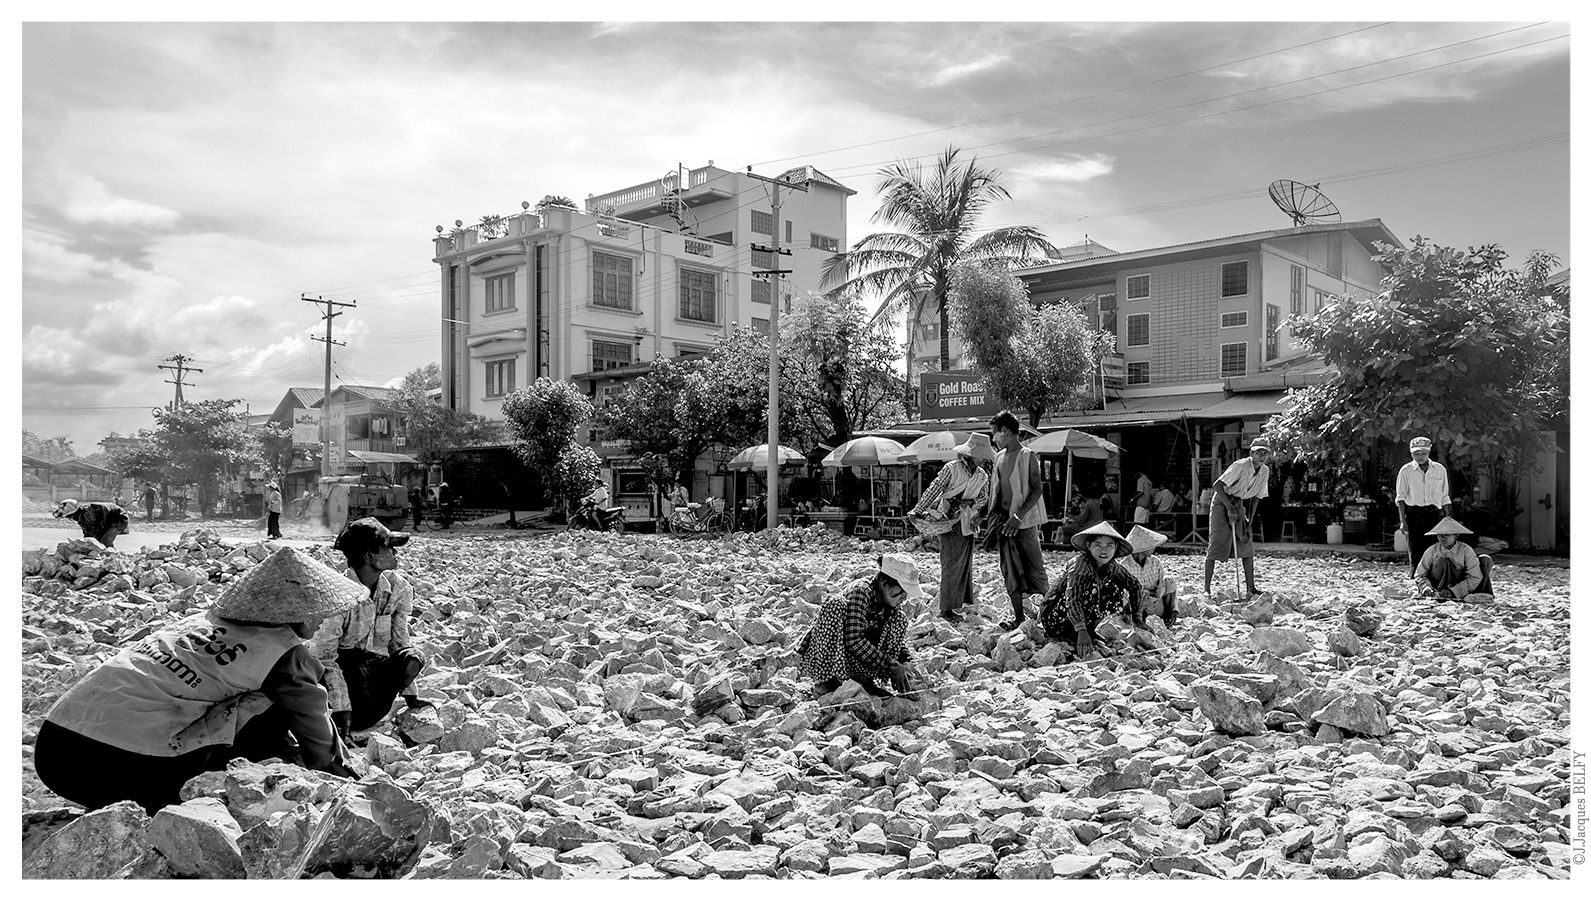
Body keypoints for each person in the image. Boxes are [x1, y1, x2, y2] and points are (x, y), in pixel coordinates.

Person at [33, 547, 362, 814]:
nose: (323, 619)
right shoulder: (284, 654)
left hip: (54, 754)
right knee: (271, 701)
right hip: (121, 766)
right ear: (294, 612)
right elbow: (314, 722)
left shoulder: (198, 621)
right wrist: (334, 777)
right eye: (318, 610)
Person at [314, 518, 431, 744]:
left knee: (412, 657)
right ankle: (343, 721)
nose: (395, 552)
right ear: (369, 556)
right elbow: (325, 656)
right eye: (388, 547)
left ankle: (364, 718)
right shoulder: (338, 594)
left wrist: (411, 696)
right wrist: (341, 707)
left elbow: (399, 641)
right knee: (338, 662)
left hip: (375, 678)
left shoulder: (398, 587)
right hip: (347, 676)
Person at [797, 554, 922, 697]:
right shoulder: (861, 592)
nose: (904, 598)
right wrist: (892, 667)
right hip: (836, 657)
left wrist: (905, 660)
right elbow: (853, 640)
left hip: (856, 661)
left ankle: (865, 682)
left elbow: (894, 638)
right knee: (836, 605)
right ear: (884, 584)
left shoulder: (888, 601)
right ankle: (827, 682)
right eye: (902, 592)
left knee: (899, 619)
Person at [908, 433, 994, 622]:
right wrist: (918, 510)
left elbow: (984, 497)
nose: (984, 459)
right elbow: (934, 489)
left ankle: (955, 605)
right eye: (981, 455)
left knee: (964, 564)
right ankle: (946, 608)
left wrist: (969, 502)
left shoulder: (982, 475)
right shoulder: (952, 468)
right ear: (972, 454)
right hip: (948, 520)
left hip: (967, 521)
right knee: (950, 563)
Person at [1040, 522, 1145, 660]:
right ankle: (1079, 633)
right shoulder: (1080, 566)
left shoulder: (1113, 566)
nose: (1104, 550)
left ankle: (1088, 630)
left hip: (1078, 616)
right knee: (1092, 589)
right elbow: (1073, 599)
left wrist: (1137, 618)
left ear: (1116, 548)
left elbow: (1135, 585)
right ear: (1089, 546)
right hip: (1055, 616)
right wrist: (1081, 630)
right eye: (1098, 545)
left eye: (1109, 546)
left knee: (1116, 590)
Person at [982, 410, 1048, 630]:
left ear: (1005, 431)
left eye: (994, 433)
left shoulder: (1028, 456)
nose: (993, 438)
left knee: (1035, 568)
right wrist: (982, 514)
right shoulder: (999, 457)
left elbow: (1037, 490)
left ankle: (1049, 613)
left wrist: (1018, 517)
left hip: (1024, 523)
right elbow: (996, 492)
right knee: (1009, 570)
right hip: (1004, 522)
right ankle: (1019, 617)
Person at [1203, 441, 1274, 597]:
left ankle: (1251, 587)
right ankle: (1206, 589)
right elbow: (1217, 485)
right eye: (1258, 452)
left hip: (1238, 502)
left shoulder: (1265, 471)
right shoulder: (1240, 466)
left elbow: (1257, 497)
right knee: (1216, 542)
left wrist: (1250, 523)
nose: (1262, 456)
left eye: (1265, 453)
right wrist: (1229, 508)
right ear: (1251, 454)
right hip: (1222, 501)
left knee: (1246, 542)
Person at [1396, 436, 1451, 577]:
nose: (1420, 457)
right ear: (1411, 453)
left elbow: (1445, 497)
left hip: (1435, 514)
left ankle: (1433, 577)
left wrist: (1448, 518)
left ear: (1429, 452)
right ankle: (1415, 577)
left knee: (1435, 548)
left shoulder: (1439, 469)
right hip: (1414, 515)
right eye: (1416, 454)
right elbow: (1401, 497)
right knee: (1415, 549)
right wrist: (1403, 521)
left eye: (1423, 453)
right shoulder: (1406, 470)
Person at [1412, 516, 1494, 601]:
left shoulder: (1466, 550)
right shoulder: (1432, 550)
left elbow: (1475, 576)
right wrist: (1426, 587)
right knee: (1442, 561)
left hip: (1460, 584)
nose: (1442, 538)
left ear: (1456, 536)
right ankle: (1440, 594)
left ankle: (1478, 592)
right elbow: (1420, 574)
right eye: (1440, 535)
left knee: (1485, 559)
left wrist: (1454, 591)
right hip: (1438, 585)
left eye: (1446, 535)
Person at [1120, 525, 1179, 627]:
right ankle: (1137, 621)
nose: (1154, 548)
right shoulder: (1124, 565)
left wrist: (1175, 610)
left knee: (1169, 581)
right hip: (1137, 607)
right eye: (1151, 546)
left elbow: (1163, 586)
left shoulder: (1155, 562)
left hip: (1155, 603)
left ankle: (1168, 616)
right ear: (1143, 548)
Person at [53, 499, 131, 548]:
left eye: (69, 516)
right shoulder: (81, 517)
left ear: (74, 513)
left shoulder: (92, 511)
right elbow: (88, 533)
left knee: (105, 541)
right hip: (107, 521)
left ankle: (112, 558)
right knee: (95, 542)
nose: (69, 519)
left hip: (119, 518)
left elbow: (99, 528)